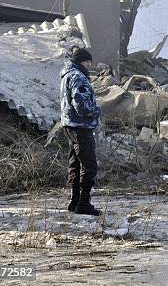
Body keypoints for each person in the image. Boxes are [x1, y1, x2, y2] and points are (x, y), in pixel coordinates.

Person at [60, 47, 102, 216]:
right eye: (88, 62)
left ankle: (74, 201)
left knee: (75, 164)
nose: (89, 66)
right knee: (89, 165)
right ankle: (84, 203)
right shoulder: (78, 77)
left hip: (69, 125)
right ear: (83, 62)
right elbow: (81, 105)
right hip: (81, 127)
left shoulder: (66, 75)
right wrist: (96, 111)